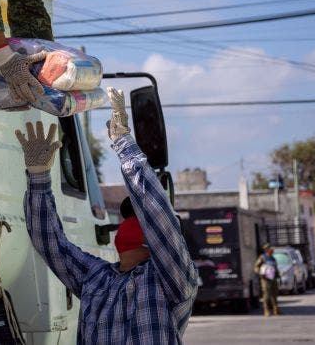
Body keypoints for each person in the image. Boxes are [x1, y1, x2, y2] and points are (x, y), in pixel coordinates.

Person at [16, 87, 198, 344]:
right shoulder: (97, 278)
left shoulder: (171, 280)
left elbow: (159, 217)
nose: (127, 224)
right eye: (128, 218)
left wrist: (124, 143)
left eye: (137, 219)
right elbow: (51, 244)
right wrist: (38, 177)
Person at [254, 243, 280, 316]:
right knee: (267, 295)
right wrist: (260, 274)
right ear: (267, 250)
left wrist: (278, 275)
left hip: (273, 278)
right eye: (271, 248)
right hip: (266, 279)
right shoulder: (262, 257)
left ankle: (276, 310)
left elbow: (275, 268)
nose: (272, 250)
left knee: (274, 294)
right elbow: (256, 267)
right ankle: (266, 310)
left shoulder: (273, 258)